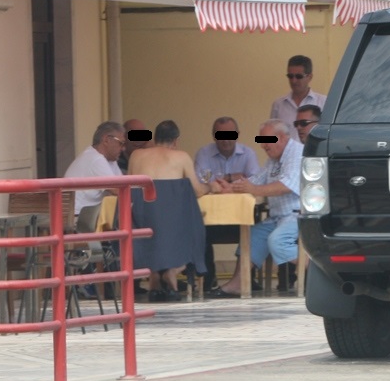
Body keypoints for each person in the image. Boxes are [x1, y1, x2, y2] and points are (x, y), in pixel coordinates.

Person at [209, 119, 302, 298]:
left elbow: (286, 185)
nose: (263, 146)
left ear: (281, 138)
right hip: (277, 217)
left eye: (266, 140)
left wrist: (253, 190)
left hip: (297, 215)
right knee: (250, 237)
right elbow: (256, 179)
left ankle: (321, 271)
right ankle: (237, 284)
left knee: (277, 241)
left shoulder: (296, 153)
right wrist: (230, 188)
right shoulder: (273, 158)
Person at [127, 120, 209, 301]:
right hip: (174, 224)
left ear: (155, 139)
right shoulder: (181, 157)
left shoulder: (136, 155)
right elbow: (197, 191)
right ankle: (172, 271)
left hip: (142, 220)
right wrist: (211, 186)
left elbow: (131, 188)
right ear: (176, 141)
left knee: (151, 225)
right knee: (195, 226)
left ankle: (154, 274)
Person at [193, 116, 261, 293]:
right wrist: (237, 179)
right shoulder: (204, 153)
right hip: (211, 219)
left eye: (230, 134)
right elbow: (200, 181)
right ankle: (207, 280)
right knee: (198, 232)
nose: (225, 139)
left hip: (240, 219)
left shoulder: (248, 154)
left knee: (256, 228)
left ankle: (247, 278)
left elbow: (256, 180)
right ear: (214, 136)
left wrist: (227, 182)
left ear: (237, 134)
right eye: (220, 135)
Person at [62, 121, 125, 214]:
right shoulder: (96, 159)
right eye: (121, 143)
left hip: (87, 215)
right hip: (76, 217)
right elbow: (119, 191)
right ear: (107, 140)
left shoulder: (110, 159)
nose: (123, 148)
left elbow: (123, 186)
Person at [270, 54, 326, 133]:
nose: (294, 81)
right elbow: (270, 136)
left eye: (299, 76)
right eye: (290, 76)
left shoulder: (323, 103)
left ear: (310, 77)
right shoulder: (278, 105)